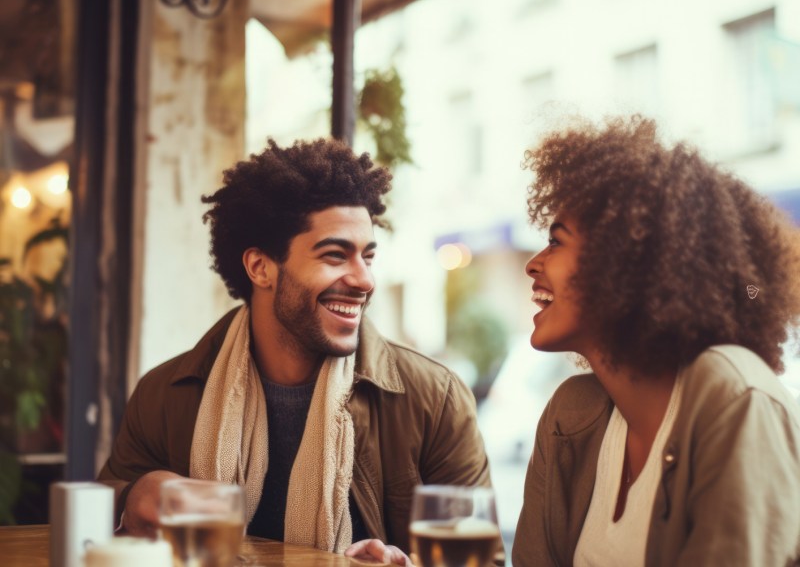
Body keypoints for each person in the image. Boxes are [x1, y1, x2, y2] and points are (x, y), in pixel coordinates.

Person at [97, 138, 493, 563]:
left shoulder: (434, 398)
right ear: (260, 267)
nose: (364, 281)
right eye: (335, 255)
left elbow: (482, 559)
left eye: (368, 257)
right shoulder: (166, 394)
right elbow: (97, 529)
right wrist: (132, 497)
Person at [513, 115, 800, 566]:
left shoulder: (736, 399)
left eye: (556, 241)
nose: (533, 263)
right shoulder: (570, 415)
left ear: (625, 260)